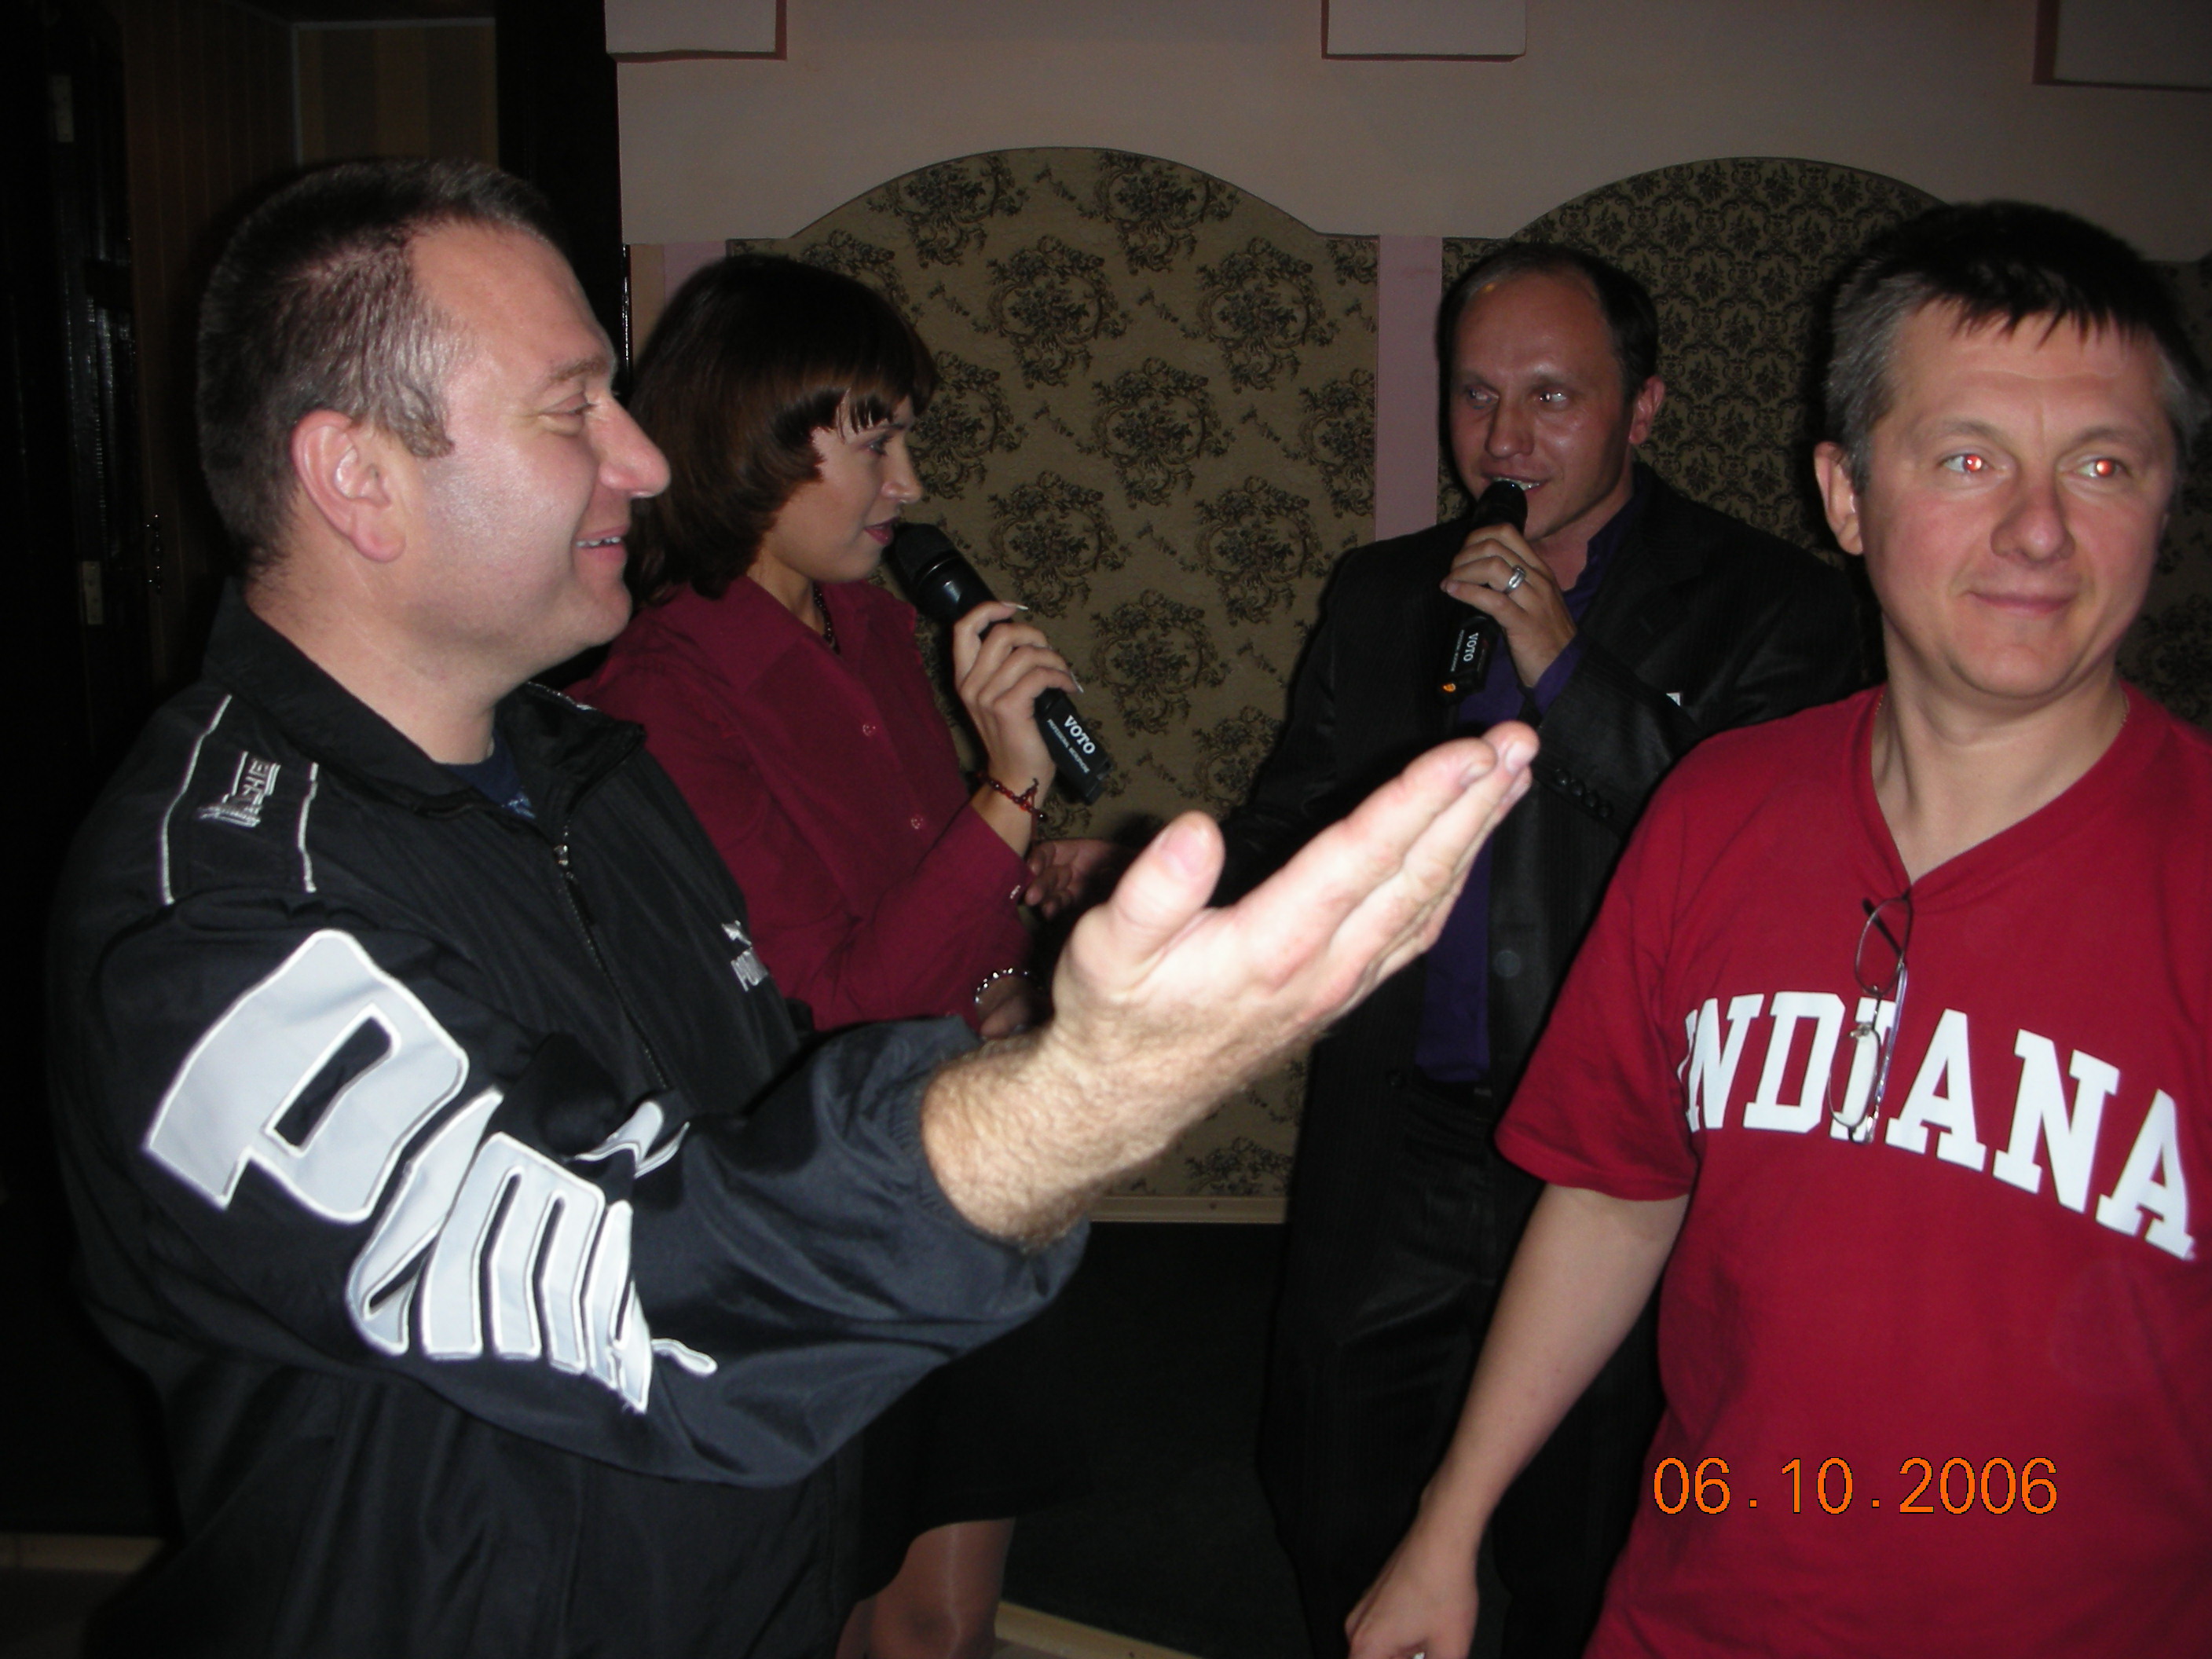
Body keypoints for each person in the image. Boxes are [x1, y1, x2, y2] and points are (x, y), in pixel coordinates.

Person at [42, 159, 1536, 1659]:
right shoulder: (207, 921)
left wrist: (1029, 1002)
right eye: (572, 410)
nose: (643, 460)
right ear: (357, 478)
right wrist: (1097, 1086)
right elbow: (644, 1294)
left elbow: (762, 1105)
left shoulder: (584, 770)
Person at [1347, 200, 2212, 1659]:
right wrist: (1450, 1524)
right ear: (1846, 494)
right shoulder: (1719, 809)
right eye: (1967, 459)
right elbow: (1619, 1192)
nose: (2039, 530)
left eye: (2103, 465)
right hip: (1694, 1612)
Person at [1217, 244, 1861, 1656]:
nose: (1504, 440)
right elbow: (1299, 819)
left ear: (1645, 408)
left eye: (1553, 397)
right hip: (1396, 1139)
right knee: (1333, 1502)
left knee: (1587, 1545)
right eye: (1477, 395)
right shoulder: (1384, 593)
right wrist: (1170, 884)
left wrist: (1562, 663)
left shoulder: (1778, 608)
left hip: (1614, 1168)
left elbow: (1749, 865)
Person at [573, 254, 1108, 1659]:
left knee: (948, 1617)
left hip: (979, 1144)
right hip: (839, 1193)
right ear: (755, 442)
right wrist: (1009, 792)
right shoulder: (662, 690)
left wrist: (1020, 906)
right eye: (875, 442)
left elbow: (929, 904)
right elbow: (833, 996)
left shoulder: (871, 621)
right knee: (852, 1601)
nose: (909, 485)